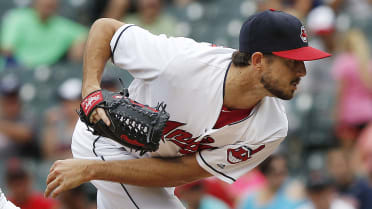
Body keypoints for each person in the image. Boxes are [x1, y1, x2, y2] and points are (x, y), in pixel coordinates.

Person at [44, 9, 331, 208]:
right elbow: (105, 29)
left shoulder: (272, 128)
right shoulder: (183, 63)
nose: (302, 71)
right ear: (258, 60)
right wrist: (91, 91)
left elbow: (181, 172)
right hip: (104, 140)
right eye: (292, 61)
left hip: (147, 168)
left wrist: (92, 171)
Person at [0, 0, 87, 68]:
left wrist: (79, 46)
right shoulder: (18, 18)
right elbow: (7, 49)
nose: (49, 2)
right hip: (17, 70)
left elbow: (85, 35)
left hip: (49, 73)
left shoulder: (61, 25)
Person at [237, 153, 306, 209]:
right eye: (277, 174)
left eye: (283, 172)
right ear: (265, 174)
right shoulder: (249, 197)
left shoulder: (295, 191)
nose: (282, 178)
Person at [42, 78, 82, 160]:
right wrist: (50, 125)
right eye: (64, 102)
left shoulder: (89, 125)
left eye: (71, 102)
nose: (67, 106)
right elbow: (48, 155)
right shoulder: (58, 123)